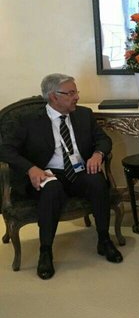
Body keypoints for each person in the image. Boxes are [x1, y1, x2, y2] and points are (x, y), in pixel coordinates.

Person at [0, 73, 122, 280]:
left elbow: (103, 140)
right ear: (53, 96)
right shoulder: (29, 120)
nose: (77, 97)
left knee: (97, 181)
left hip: (78, 170)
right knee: (52, 189)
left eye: (76, 92)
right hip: (47, 172)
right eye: (71, 93)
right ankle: (45, 251)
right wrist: (31, 168)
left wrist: (98, 154)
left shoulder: (83, 114)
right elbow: (5, 150)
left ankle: (104, 240)